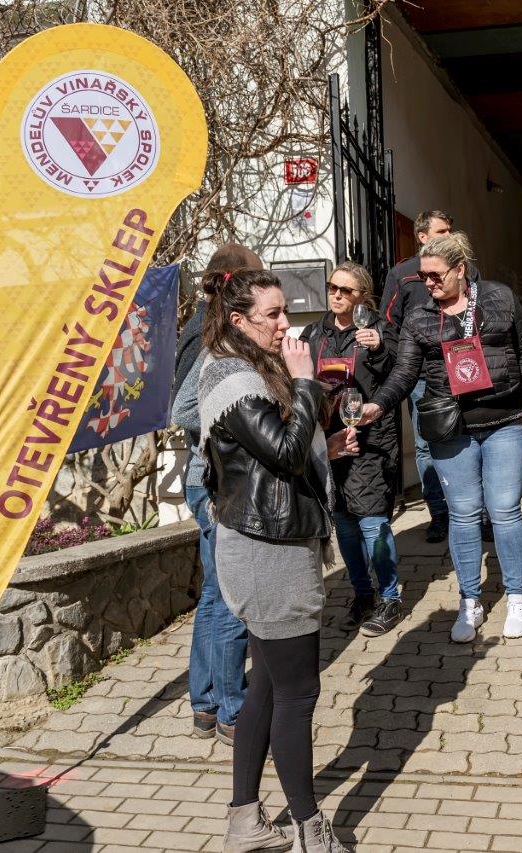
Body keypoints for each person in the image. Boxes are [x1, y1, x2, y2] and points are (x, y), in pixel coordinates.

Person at [198, 269, 350, 852]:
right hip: (268, 553)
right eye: (273, 315)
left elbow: (269, 459)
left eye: (286, 310)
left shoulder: (249, 368)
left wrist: (324, 446)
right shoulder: (233, 378)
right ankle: (311, 831)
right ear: (238, 320)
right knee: (298, 694)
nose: (286, 324)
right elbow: (284, 452)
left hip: (270, 541)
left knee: (265, 686)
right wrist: (306, 383)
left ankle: (244, 823)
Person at [361, 232, 522, 643]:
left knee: (504, 511)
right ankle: (470, 600)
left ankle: (516, 597)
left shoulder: (499, 298)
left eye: (436, 275)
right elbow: (404, 372)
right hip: (450, 428)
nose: (428, 283)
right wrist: (379, 405)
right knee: (462, 514)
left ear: (460, 270)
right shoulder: (420, 316)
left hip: (504, 421)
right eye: (423, 276)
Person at [171, 243, 262, 745]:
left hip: (206, 476)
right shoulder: (212, 333)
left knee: (214, 596)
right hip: (212, 480)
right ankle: (232, 710)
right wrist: (236, 423)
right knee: (230, 599)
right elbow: (184, 409)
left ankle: (205, 704)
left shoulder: (208, 326)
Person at [300, 261, 403, 637]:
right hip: (329, 439)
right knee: (343, 522)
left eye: (346, 290)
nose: (337, 295)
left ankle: (390, 598)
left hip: (370, 440)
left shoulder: (379, 330)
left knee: (373, 522)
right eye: (332, 287)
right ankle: (362, 594)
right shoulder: (315, 332)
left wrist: (379, 349)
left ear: (363, 296)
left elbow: (400, 375)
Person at [380, 210, 480, 544]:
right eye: (441, 231)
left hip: (465, 369)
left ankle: (478, 514)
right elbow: (389, 324)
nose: (449, 235)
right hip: (422, 377)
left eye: (451, 229)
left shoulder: (465, 268)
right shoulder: (402, 274)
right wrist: (405, 363)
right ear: (422, 236)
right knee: (426, 445)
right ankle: (440, 515)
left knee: (473, 436)